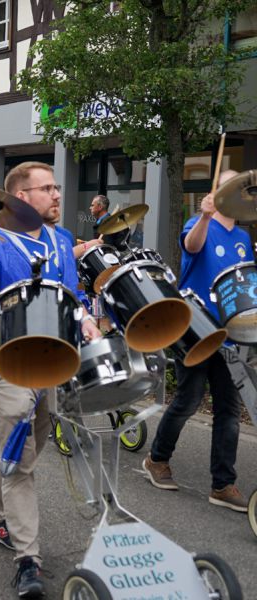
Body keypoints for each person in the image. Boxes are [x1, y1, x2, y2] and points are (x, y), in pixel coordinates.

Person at [0, 161, 101, 598]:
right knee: (22, 463)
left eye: (57, 188)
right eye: (46, 189)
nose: (57, 195)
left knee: (27, 451)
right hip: (10, 365)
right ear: (21, 198)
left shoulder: (60, 240)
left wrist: (88, 323)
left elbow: (71, 296)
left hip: (54, 362)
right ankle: (27, 559)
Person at [143, 169, 254, 512]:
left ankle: (223, 483)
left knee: (229, 410)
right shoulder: (198, 224)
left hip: (230, 334)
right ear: (218, 192)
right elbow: (191, 247)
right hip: (196, 327)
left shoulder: (245, 236)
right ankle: (157, 459)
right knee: (188, 401)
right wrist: (205, 215)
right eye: (231, 186)